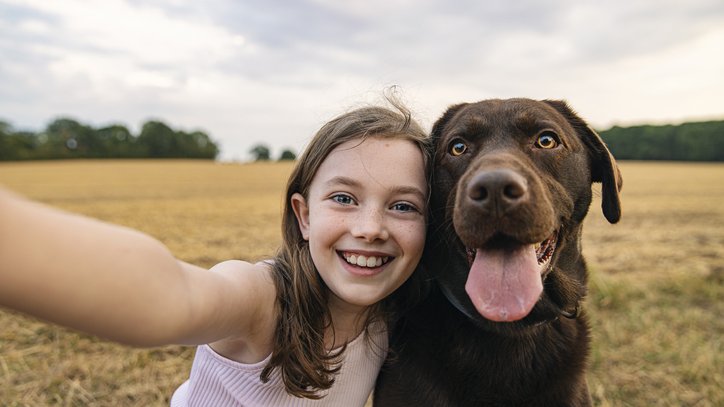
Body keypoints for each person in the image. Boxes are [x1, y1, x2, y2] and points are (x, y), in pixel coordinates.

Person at [0, 97, 431, 406]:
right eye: (343, 198)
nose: (371, 229)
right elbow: (171, 296)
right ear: (303, 215)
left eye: (403, 206)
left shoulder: (391, 314)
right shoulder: (261, 300)